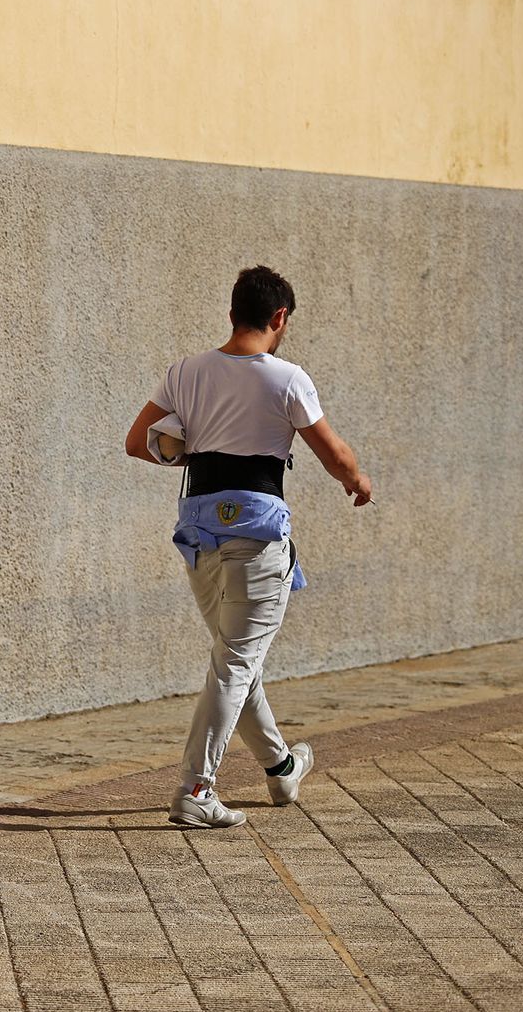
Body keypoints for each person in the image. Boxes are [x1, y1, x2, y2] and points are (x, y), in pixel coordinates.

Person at [123, 265, 373, 828]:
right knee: (236, 661)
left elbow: (138, 443)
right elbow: (335, 456)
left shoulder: (184, 372)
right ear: (279, 317)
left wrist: (200, 452)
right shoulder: (287, 378)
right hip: (256, 538)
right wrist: (358, 481)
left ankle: (281, 767)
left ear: (233, 312)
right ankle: (195, 788)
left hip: (199, 536)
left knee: (234, 659)